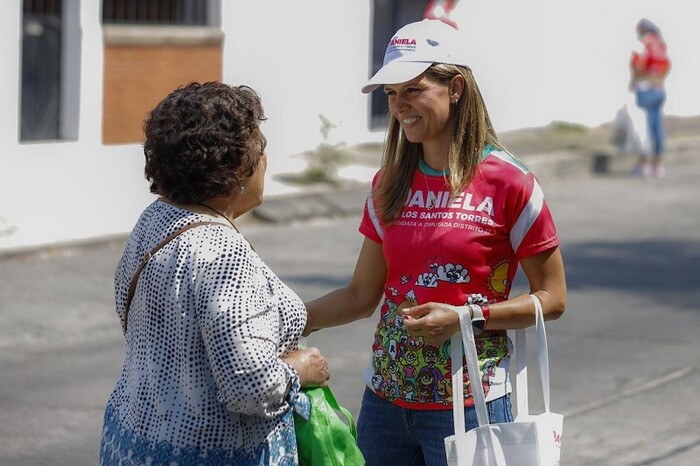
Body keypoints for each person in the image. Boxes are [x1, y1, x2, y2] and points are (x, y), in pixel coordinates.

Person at [303, 19, 567, 466]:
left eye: (413, 90)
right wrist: (286, 321)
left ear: (456, 87)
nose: (399, 105)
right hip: (385, 400)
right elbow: (361, 295)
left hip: (472, 403)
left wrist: (468, 317)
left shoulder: (510, 181)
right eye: (391, 94)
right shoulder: (388, 184)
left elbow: (553, 299)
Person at [99, 82, 331, 466]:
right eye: (262, 145)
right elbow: (251, 387)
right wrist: (300, 370)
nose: (266, 159)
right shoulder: (223, 252)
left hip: (132, 441)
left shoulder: (155, 220)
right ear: (239, 166)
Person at [629, 18, 671, 178]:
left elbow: (638, 65)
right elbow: (668, 65)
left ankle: (644, 164)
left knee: (644, 128)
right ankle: (657, 164)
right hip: (659, 90)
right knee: (657, 127)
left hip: (645, 89)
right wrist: (659, 78)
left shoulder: (643, 45)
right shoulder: (661, 45)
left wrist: (634, 80)